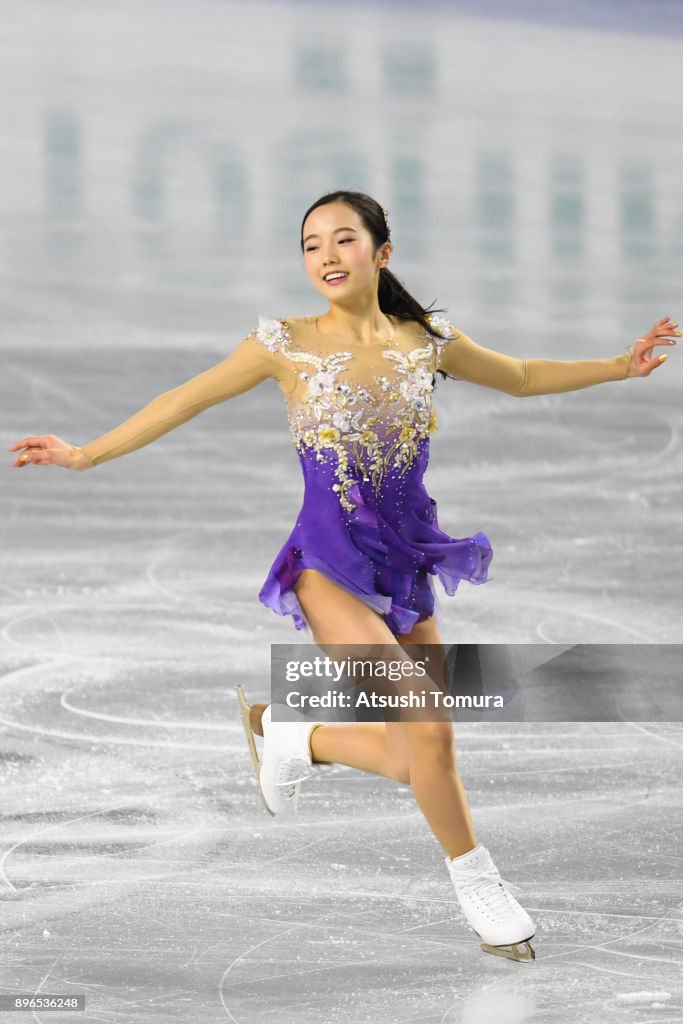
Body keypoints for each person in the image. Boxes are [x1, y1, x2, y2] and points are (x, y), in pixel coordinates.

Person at [10, 189, 677, 963]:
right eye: (310, 244)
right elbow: (180, 399)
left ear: (380, 253)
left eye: (343, 239)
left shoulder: (423, 341)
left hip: (405, 561)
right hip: (326, 564)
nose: (325, 255)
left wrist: (619, 368)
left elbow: (522, 374)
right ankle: (477, 879)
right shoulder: (282, 343)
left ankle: (295, 733)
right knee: (427, 732)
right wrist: (87, 452)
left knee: (427, 750)